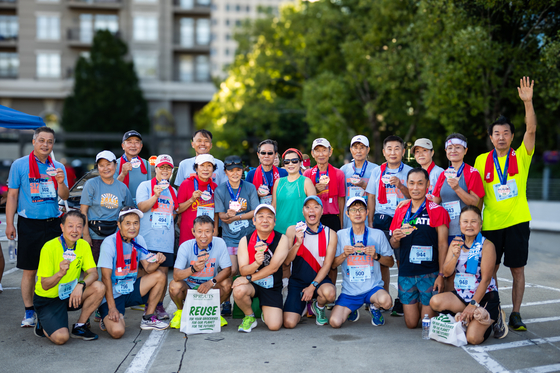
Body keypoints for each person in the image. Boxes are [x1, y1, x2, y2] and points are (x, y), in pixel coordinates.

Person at [473, 76, 536, 332]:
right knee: (490, 270)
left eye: (506, 133)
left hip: (518, 221)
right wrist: (474, 224)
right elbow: (478, 196)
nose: (501, 137)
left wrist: (528, 103)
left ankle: (516, 313)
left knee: (517, 270)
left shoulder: (521, 155)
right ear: (490, 137)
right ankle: (496, 309)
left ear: (512, 136)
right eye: (496, 133)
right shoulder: (480, 160)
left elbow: (531, 130)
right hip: (491, 224)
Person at [6, 126, 69, 327]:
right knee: (30, 270)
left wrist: (60, 181)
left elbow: (65, 196)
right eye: (41, 140)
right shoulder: (20, 165)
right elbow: (13, 195)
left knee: (55, 268)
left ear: (53, 144)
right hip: (29, 224)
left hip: (53, 224)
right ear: (34, 142)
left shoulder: (58, 166)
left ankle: (51, 306)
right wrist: (10, 223)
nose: (45, 145)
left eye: (49, 141)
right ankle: (29, 311)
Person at [430, 206, 508, 344]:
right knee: (435, 301)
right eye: (465, 221)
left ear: (481, 223)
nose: (469, 225)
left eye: (473, 221)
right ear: (460, 224)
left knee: (472, 338)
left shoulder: (487, 246)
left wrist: (473, 304)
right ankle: (466, 316)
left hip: (484, 297)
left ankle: (494, 317)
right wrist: (454, 256)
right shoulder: (456, 243)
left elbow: (486, 280)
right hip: (463, 294)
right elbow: (447, 272)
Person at [389, 168, 450, 328]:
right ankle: (420, 303)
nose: (415, 188)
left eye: (420, 183)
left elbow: (443, 244)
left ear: (428, 185)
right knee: (410, 324)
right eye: (412, 183)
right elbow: (394, 244)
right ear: (407, 185)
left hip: (429, 273)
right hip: (407, 273)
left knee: (427, 323)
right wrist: (395, 238)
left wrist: (441, 275)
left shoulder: (438, 211)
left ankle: (427, 303)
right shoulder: (401, 210)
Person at [32, 211, 105, 344]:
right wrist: (60, 273)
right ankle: (42, 321)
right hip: (48, 299)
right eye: (70, 226)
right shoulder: (49, 248)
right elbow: (45, 285)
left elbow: (94, 273)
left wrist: (81, 284)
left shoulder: (83, 245)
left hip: (70, 294)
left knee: (99, 287)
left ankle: (80, 326)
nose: (75, 230)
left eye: (79, 226)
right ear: (62, 227)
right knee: (61, 338)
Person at [98, 207, 169, 338]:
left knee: (159, 275)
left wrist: (157, 261)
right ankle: (105, 315)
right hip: (113, 294)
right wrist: (112, 307)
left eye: (136, 223)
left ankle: (148, 318)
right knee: (117, 332)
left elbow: (148, 268)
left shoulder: (139, 240)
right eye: (128, 223)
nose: (132, 227)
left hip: (129, 289)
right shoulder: (109, 243)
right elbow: (105, 278)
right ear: (119, 224)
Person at [329, 197, 394, 328]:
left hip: (372, 288)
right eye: (353, 210)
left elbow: (391, 262)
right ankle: (352, 309)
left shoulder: (378, 234)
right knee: (334, 322)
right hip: (350, 291)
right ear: (347, 213)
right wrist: (344, 254)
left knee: (386, 302)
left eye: (361, 209)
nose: (357, 213)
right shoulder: (340, 235)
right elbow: (333, 265)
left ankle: (374, 307)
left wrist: (376, 255)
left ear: (367, 212)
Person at [365, 135, 412, 311]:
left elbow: (414, 197)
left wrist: (400, 185)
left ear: (403, 151)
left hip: (402, 220)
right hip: (381, 220)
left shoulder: (409, 171)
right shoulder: (377, 171)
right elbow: (371, 196)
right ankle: (382, 298)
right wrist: (370, 222)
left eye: (397, 148)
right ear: (384, 152)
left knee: (402, 261)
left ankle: (402, 298)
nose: (393, 152)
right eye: (389, 149)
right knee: (382, 261)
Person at [232, 204, 289, 332]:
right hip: (252, 285)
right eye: (261, 216)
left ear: (274, 222)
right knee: (239, 290)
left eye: (269, 217)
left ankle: (266, 311)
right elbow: (243, 270)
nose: (265, 220)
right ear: (254, 220)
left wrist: (249, 278)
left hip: (271, 284)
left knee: (274, 326)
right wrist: (256, 264)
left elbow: (273, 268)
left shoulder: (282, 239)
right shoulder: (245, 240)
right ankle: (249, 316)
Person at [169, 215, 232, 329]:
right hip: (189, 287)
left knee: (227, 283)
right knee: (174, 285)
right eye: (199, 231)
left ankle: (214, 312)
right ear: (193, 232)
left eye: (207, 231)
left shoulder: (220, 243)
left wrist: (211, 282)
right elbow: (176, 275)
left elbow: (228, 270)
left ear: (213, 231)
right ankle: (181, 312)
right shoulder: (185, 246)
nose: (203, 236)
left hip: (210, 287)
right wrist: (193, 269)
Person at [215, 155, 259, 315]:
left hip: (248, 237)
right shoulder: (220, 190)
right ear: (225, 172)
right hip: (230, 238)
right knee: (231, 270)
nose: (235, 173)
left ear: (243, 171)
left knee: (246, 270)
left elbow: (255, 211)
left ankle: (246, 301)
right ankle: (226, 301)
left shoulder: (250, 187)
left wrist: (237, 216)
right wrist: (227, 215)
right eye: (231, 171)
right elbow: (221, 216)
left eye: (238, 170)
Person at [283, 196, 337, 328]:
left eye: (315, 207)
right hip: (298, 281)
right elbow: (286, 262)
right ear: (303, 211)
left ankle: (318, 306)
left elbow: (327, 265)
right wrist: (297, 244)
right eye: (308, 207)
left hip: (319, 280)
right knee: (289, 323)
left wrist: (312, 287)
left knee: (330, 294)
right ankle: (302, 306)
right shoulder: (292, 230)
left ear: (322, 211)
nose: (311, 210)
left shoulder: (331, 234)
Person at [136, 154, 178, 320]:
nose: (165, 170)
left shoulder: (173, 190)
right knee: (144, 273)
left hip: (165, 241)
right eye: (162, 167)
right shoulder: (145, 186)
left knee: (163, 273)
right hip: (147, 240)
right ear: (156, 169)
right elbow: (141, 207)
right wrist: (155, 195)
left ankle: (158, 305)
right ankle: (144, 303)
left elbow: (174, 213)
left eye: (168, 168)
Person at [80, 151, 134, 263]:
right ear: (97, 167)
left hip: (115, 236)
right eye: (101, 165)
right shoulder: (91, 184)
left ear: (115, 165)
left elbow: (129, 214)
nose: (105, 168)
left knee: (112, 270)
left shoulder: (123, 187)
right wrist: (86, 235)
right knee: (92, 271)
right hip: (94, 235)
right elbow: (83, 211)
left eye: (108, 164)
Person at [432, 133, 485, 240]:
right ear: (446, 151)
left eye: (458, 147)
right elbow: (434, 203)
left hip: (465, 232)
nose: (453, 150)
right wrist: (413, 201)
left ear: (465, 150)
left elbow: (475, 202)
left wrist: (457, 188)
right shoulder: (443, 174)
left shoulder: (472, 173)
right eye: (450, 148)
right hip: (444, 231)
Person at [304, 138, 346, 232]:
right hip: (313, 218)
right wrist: (314, 190)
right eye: (317, 151)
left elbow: (340, 200)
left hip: (333, 218)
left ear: (330, 152)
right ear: (312, 153)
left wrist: (341, 223)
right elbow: (304, 199)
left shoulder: (338, 173)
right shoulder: (307, 174)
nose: (321, 154)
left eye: (324, 150)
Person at [272, 148, 316, 235]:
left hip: (299, 232)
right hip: (278, 232)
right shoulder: (278, 182)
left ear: (300, 163)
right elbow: (274, 206)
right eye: (287, 161)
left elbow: (314, 209)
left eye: (294, 161)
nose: (290, 164)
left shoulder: (306, 182)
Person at [177, 154, 219, 245]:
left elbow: (216, 211)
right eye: (202, 165)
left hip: (207, 234)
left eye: (209, 166)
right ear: (196, 169)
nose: (205, 169)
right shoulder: (186, 184)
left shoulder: (215, 187)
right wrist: (191, 200)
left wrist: (215, 229)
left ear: (213, 169)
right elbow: (177, 209)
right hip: (188, 232)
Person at [340, 135, 378, 229]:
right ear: (351, 150)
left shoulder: (376, 169)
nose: (358, 151)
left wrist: (365, 186)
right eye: (355, 147)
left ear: (368, 150)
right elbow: (340, 198)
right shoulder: (344, 170)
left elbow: (380, 195)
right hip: (348, 220)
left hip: (368, 219)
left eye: (362, 148)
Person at [246, 139, 288, 205]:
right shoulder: (251, 174)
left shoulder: (284, 173)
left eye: (270, 153)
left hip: (280, 211)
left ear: (275, 154)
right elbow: (245, 196)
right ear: (258, 155)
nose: (266, 156)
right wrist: (256, 193)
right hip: (258, 213)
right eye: (263, 153)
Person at [115, 130, 151, 205]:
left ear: (141, 146)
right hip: (120, 206)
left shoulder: (146, 164)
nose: (133, 145)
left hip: (141, 206)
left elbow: (149, 188)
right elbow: (112, 188)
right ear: (123, 146)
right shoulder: (115, 164)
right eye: (129, 142)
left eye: (137, 142)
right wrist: (123, 174)